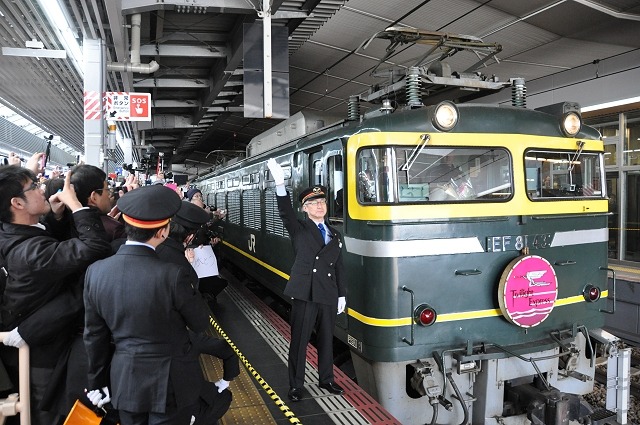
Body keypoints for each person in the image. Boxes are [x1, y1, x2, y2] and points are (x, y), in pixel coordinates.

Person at [83, 185, 213, 425]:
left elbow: (94, 336)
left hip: (125, 381)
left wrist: (97, 383)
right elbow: (200, 323)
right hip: (171, 384)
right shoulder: (173, 275)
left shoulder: (96, 272)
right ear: (163, 232)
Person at [0, 165, 112, 425]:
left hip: (29, 347)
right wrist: (77, 207)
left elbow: (47, 250)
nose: (43, 189)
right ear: (17, 203)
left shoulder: (12, 234)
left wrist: (55, 217)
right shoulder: (31, 253)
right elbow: (96, 247)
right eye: (35, 187)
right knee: (45, 414)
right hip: (43, 356)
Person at [266, 158, 347, 402]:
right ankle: (295, 385)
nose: (319, 206)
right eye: (313, 203)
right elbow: (284, 211)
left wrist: (342, 294)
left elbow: (339, 266)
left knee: (326, 340)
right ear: (305, 208)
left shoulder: (334, 233)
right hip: (305, 292)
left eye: (322, 201)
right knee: (299, 342)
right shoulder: (299, 228)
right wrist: (280, 183)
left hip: (328, 294)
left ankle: (327, 380)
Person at [156, 201, 235, 423]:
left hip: (131, 375)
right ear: (189, 238)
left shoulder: (130, 254)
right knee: (214, 401)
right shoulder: (181, 268)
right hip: (172, 366)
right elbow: (198, 321)